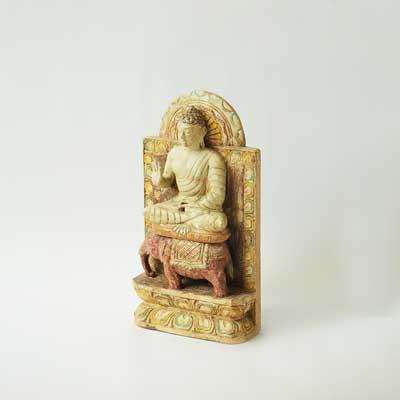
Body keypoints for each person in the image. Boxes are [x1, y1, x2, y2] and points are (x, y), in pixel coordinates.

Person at [145, 106, 228, 237]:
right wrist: (160, 181)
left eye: (188, 132)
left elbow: (217, 195)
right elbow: (168, 179)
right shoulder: (174, 153)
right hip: (178, 204)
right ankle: (190, 224)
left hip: (201, 207)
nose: (182, 137)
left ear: (202, 132)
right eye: (180, 131)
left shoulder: (212, 158)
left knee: (219, 222)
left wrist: (197, 205)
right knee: (150, 212)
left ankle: (182, 223)